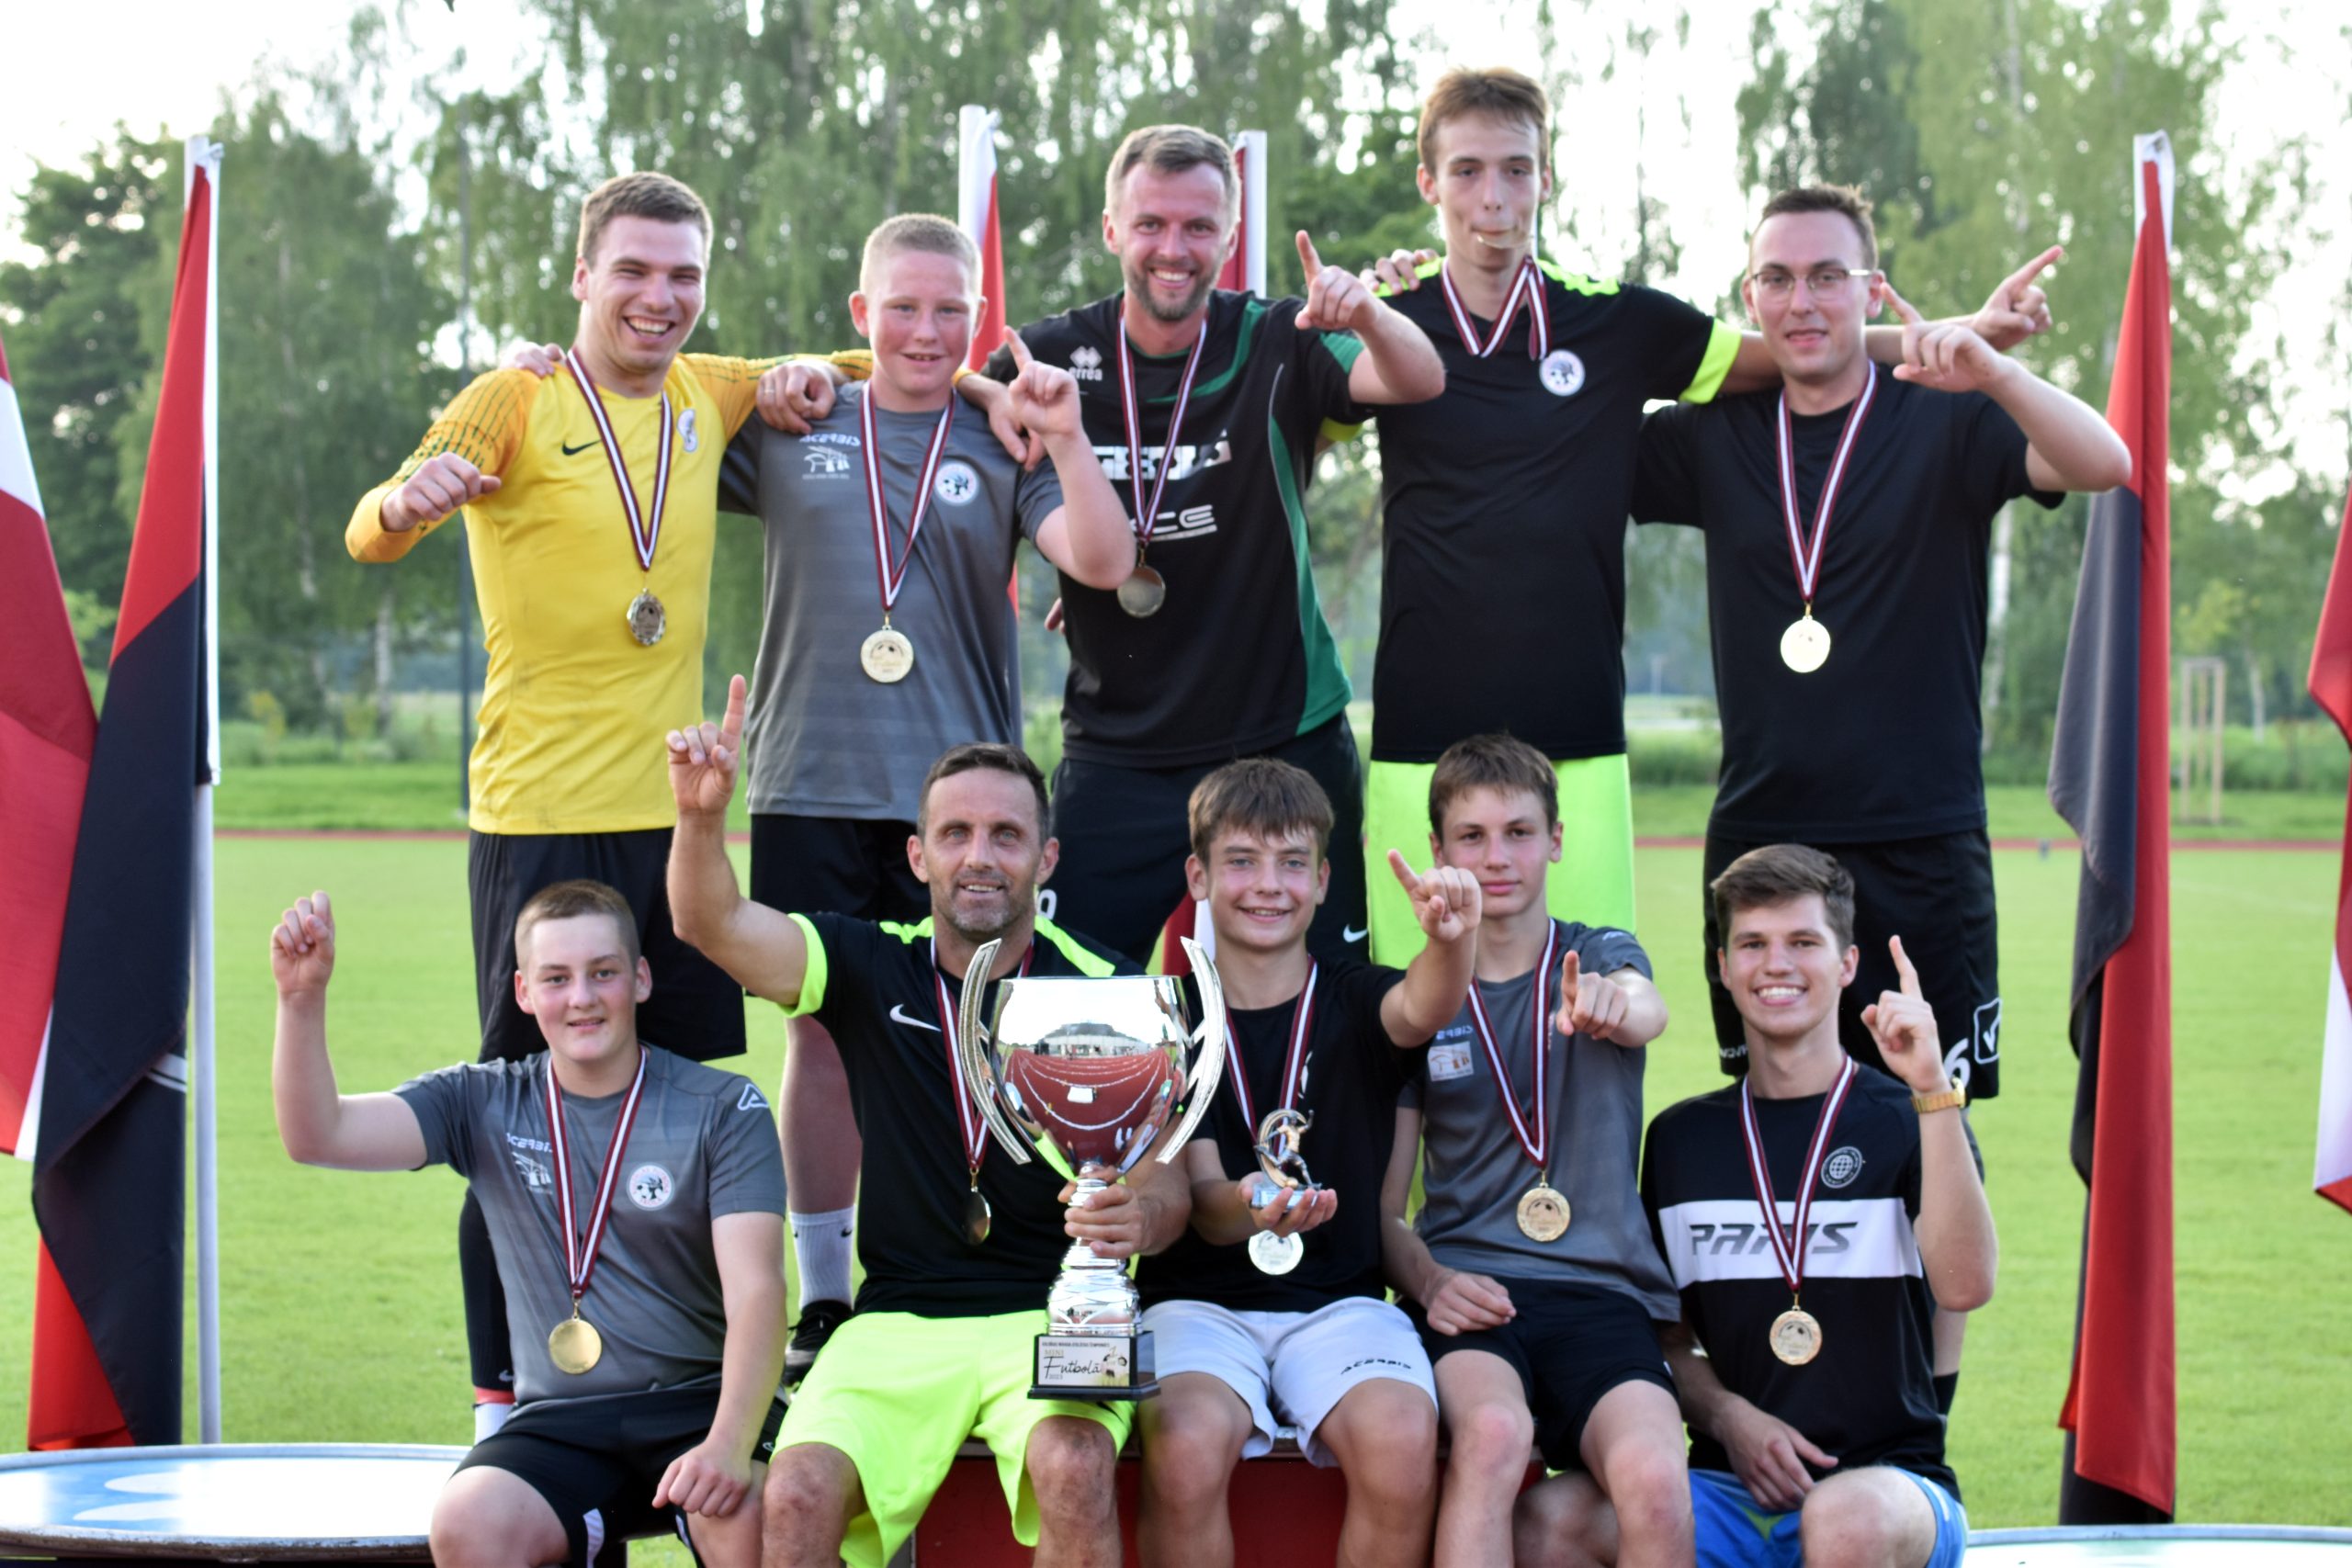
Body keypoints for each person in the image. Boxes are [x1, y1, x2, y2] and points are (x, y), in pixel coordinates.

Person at [1355, 71, 2062, 967]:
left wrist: (1965, 335)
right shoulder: (1382, 321)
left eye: (1516, 169)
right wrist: (1360, 301)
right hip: (1418, 738)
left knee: (1589, 1006)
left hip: (1579, 744)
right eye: (1466, 170)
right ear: (1429, 182)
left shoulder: (1617, 321)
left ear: (1546, 178)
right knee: (1414, 1018)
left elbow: (1797, 352)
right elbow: (1299, 411)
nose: (1492, 196)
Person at [1629, 184, 2126, 1389]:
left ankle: (1922, 1428)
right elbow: (1573, 430)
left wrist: (1984, 365)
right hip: (1762, 844)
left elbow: (2103, 460)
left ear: (1869, 284)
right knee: (1775, 1129)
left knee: (1934, 1127)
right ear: (1749, 296)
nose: (1802, 300)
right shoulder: (1712, 435)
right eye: (1777, 278)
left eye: (1827, 276)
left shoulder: (1948, 417)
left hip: (1920, 839)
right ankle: (1784, 1401)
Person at [345, 171, 783, 1433]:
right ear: (583, 276)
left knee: (692, 1114)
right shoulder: (515, 397)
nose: (659, 297)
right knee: (516, 1123)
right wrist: (406, 501)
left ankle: (693, 1388)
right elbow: (374, 529)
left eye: (684, 275)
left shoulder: (714, 390)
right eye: (632, 270)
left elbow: (883, 357)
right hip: (535, 815)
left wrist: (819, 373)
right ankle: (502, 1402)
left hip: (677, 818)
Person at [711, 213, 1137, 1385]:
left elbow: (1103, 561)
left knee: (980, 1031)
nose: (924, 329)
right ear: (861, 314)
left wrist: (1066, 434)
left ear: (977, 321)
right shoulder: (789, 422)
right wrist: (769, 375)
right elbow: (662, 420)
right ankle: (827, 1291)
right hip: (807, 780)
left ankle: (987, 1260)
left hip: (960, 809)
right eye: (900, 306)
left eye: (950, 310)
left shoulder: (1001, 438)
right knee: (820, 1036)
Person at [664, 684, 1191, 1568]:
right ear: (919, 855)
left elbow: (1165, 1176)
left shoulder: (1104, 986)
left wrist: (1140, 1214)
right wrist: (701, 819)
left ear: (1046, 857)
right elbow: (708, 922)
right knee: (795, 1491)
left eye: (1006, 835)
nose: (979, 857)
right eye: (955, 833)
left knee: (1074, 1465)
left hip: (1050, 1312)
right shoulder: (868, 960)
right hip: (897, 1319)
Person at [269, 878, 787, 1568]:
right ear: (523, 991)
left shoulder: (723, 1107)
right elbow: (318, 1134)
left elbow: (757, 1291)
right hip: (560, 1421)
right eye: (556, 978)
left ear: (640, 978)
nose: (581, 997)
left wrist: (727, 1445)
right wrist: (300, 1000)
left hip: (701, 1405)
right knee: (471, 1520)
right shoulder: (482, 1100)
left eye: (603, 972)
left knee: (745, 1517)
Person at [1514, 844, 1997, 1568]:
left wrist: (1933, 1089)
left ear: (1846, 962)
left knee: (1841, 1520)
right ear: (1722, 965)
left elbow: (1966, 1284)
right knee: (1549, 1521)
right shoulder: (1680, 1140)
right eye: (1752, 944)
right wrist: (1728, 1416)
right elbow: (1665, 1338)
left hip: (1889, 1486)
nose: (1777, 964)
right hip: (1728, 1486)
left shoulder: (1910, 1117)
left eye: (1803, 942)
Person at [1132, 758, 1481, 1568]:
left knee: (1402, 1438)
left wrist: (1449, 940)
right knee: (1183, 1445)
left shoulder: (1356, 997)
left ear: (1323, 882)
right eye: (1241, 860)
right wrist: (1252, 1202)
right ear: (1198, 876)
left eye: (1293, 862)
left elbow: (1424, 1003)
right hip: (1196, 1305)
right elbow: (1206, 1201)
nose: (1268, 884)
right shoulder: (1168, 1017)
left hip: (1340, 1303)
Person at [1379, 734, 1689, 1568]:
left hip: (1601, 1292)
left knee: (1658, 1479)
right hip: (1473, 1288)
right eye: (1472, 836)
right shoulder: (1418, 1000)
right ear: (1439, 849)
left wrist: (1611, 1004)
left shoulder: (1602, 954)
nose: (1497, 857)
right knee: (1492, 1434)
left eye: (1519, 832)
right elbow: (1385, 1212)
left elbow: (1648, 1006)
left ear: (1555, 839)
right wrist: (1429, 1281)